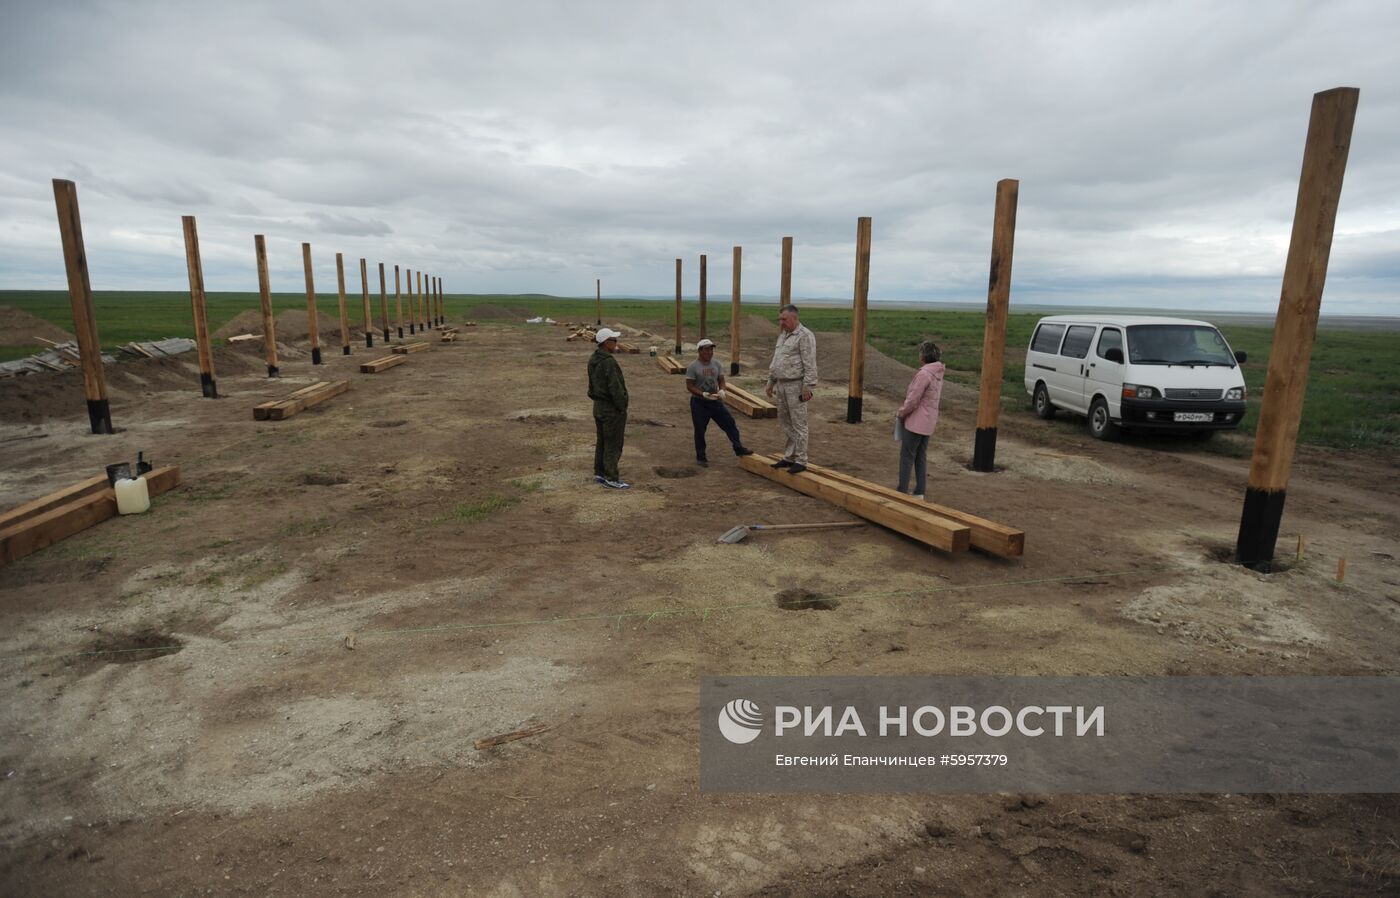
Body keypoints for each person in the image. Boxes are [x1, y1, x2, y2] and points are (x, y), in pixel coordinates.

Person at [763, 304, 817, 474]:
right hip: (781, 384)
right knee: (785, 421)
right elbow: (777, 360)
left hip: (796, 385)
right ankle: (789, 456)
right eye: (780, 319)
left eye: (784, 319)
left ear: (794, 318)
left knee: (799, 423)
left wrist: (808, 387)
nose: (781, 322)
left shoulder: (804, 336)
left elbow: (810, 364)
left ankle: (801, 460)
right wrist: (771, 381)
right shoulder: (783, 336)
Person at [685, 338, 754, 467]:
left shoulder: (716, 364)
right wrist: (702, 393)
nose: (709, 352)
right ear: (699, 351)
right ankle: (701, 457)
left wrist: (722, 390)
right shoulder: (693, 367)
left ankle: (738, 448)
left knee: (730, 424)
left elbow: (721, 380)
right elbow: (689, 386)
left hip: (715, 401)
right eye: (706, 349)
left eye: (711, 349)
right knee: (700, 430)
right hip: (699, 403)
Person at [895, 340, 945, 499]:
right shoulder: (938, 373)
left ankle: (902, 491)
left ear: (923, 356)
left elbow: (913, 400)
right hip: (929, 421)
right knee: (921, 455)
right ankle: (919, 491)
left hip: (916, 422)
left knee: (907, 456)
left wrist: (901, 412)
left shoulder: (924, 374)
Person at [588, 327, 630, 489]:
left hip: (598, 406)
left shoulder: (593, 359)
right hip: (611, 409)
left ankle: (599, 472)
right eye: (614, 340)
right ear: (606, 343)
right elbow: (616, 388)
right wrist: (622, 406)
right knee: (613, 443)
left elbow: (591, 385)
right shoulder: (609, 362)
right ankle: (611, 477)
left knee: (602, 441)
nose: (616, 343)